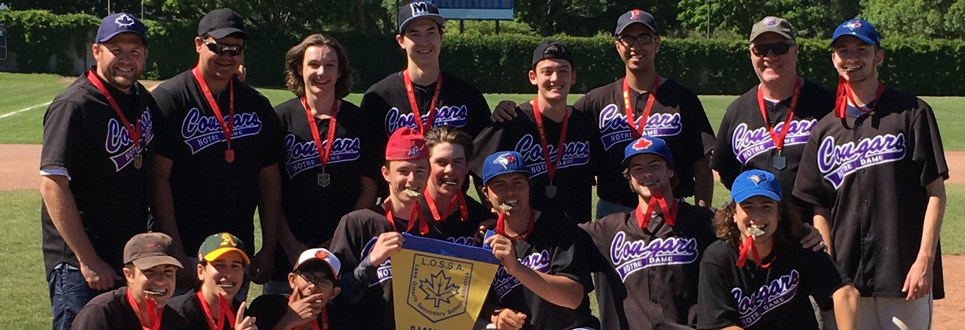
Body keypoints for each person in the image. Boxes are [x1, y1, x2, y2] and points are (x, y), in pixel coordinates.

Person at [793, 19, 948, 329]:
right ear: (834, 59)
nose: (852, 58)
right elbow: (818, 205)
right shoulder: (825, 129)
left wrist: (924, 261)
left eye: (861, 49)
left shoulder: (912, 113)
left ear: (879, 56)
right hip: (848, 277)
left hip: (903, 272)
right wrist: (831, 270)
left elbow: (935, 193)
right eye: (843, 50)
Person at [490, 9, 715, 212]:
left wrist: (703, 215)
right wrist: (510, 110)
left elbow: (702, 166)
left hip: (670, 207)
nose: (635, 46)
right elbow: (555, 119)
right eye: (628, 38)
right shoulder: (597, 101)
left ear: (657, 43)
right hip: (613, 211)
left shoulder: (682, 99)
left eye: (644, 37)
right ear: (618, 45)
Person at [151, 8, 285, 287]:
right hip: (185, 249)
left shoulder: (257, 105)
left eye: (235, 50)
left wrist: (268, 248)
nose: (227, 57)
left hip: (235, 251)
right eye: (218, 48)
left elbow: (269, 180)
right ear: (199, 45)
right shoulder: (170, 99)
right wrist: (174, 250)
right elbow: (158, 179)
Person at [39, 12, 156, 329]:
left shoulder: (140, 99)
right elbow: (52, 186)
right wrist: (88, 260)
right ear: (96, 51)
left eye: (134, 51)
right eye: (116, 50)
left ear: (145, 54)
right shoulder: (75, 106)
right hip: (81, 263)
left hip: (125, 256)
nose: (126, 59)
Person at [266, 33, 382, 295]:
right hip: (289, 251)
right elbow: (270, 191)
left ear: (340, 71)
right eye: (313, 65)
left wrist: (340, 242)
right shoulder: (279, 119)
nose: (322, 72)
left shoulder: (359, 120)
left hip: (345, 251)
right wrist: (291, 244)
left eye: (330, 65)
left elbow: (369, 187)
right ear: (299, 68)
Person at [578, 136, 717, 329]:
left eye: (655, 165)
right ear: (630, 179)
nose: (647, 174)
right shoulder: (608, 231)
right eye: (638, 169)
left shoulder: (703, 222)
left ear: (670, 170)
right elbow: (555, 239)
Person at [697, 170, 859, 330]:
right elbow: (719, 326)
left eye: (766, 207)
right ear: (733, 214)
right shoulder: (717, 258)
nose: (758, 217)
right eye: (748, 207)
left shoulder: (799, 244)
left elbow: (846, 294)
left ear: (779, 211)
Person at [472, 40, 599, 225]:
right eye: (547, 71)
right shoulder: (512, 120)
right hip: (525, 232)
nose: (555, 78)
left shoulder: (584, 124)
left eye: (563, 71)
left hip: (575, 232)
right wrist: (493, 209)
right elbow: (477, 167)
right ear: (533, 77)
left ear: (573, 77)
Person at [712, 16, 834, 202]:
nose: (769, 57)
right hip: (760, 225)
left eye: (779, 48)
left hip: (813, 225)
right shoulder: (738, 110)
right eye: (760, 50)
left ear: (795, 51)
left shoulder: (825, 104)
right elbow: (725, 169)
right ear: (751, 54)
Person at [480, 151, 600, 330]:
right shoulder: (484, 240)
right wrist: (496, 314)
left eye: (518, 183)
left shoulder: (559, 227)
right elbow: (478, 299)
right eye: (500, 185)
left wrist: (517, 268)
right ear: (486, 194)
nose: (510, 192)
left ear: (529, 187)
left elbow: (573, 298)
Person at [327, 127, 430, 330]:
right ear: (386, 174)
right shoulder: (357, 223)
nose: (412, 180)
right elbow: (333, 295)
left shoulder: (435, 226)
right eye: (403, 171)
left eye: (420, 171)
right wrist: (371, 262)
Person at [360, 1, 490, 140]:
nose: (424, 42)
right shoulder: (380, 97)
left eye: (430, 32)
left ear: (441, 37)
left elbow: (484, 149)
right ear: (401, 41)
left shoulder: (466, 95)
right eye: (414, 34)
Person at [71, 232, 188, 329]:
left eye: (168, 272)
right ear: (128, 275)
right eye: (150, 271)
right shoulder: (101, 314)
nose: (161, 281)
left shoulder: (175, 321)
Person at [246, 248, 360, 330]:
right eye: (308, 277)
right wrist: (288, 321)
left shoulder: (344, 322)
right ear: (292, 280)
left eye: (324, 281)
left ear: (334, 292)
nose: (313, 286)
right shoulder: (265, 308)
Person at [168, 232, 257, 330]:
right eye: (219, 265)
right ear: (201, 271)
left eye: (235, 266)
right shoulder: (178, 314)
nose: (228, 273)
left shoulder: (241, 315)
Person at [421, 126, 493, 245]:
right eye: (441, 162)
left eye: (457, 162)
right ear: (426, 165)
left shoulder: (482, 220)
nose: (449, 170)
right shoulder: (407, 212)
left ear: (467, 166)